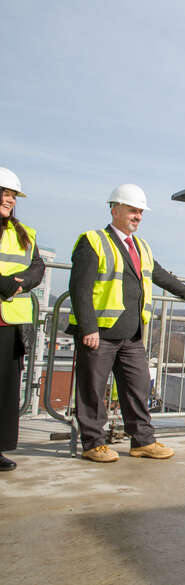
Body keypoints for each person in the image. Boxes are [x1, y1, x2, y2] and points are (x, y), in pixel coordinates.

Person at [67, 184, 185, 463]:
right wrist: (89, 327)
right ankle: (93, 443)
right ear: (115, 209)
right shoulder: (92, 241)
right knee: (92, 389)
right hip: (100, 333)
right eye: (132, 210)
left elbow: (160, 275)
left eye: (140, 212)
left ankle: (142, 441)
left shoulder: (140, 246)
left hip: (131, 334)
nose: (137, 216)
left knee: (138, 387)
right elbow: (80, 288)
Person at [0, 168, 45, 472]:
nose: (10, 199)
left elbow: (37, 266)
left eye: (13, 195)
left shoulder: (24, 233)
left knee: (4, 388)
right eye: (4, 193)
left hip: (9, 322)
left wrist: (21, 282)